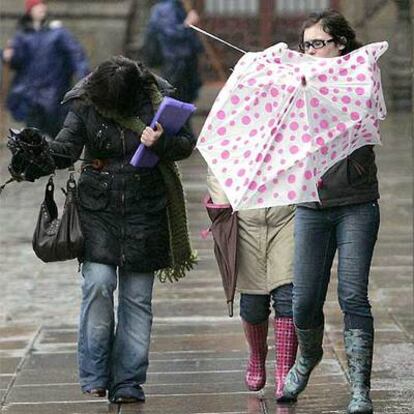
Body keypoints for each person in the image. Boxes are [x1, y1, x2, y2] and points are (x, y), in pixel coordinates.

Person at [19, 56, 196, 403]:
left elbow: (186, 144)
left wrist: (160, 143)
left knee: (137, 299)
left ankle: (128, 380)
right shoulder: (85, 100)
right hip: (98, 207)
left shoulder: (157, 99)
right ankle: (95, 372)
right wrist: (36, 153)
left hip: (147, 208)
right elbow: (66, 149)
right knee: (99, 285)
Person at [281, 10, 380, 414]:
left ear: (340, 43)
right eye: (305, 45)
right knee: (303, 302)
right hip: (311, 205)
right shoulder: (297, 85)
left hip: (356, 203)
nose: (310, 51)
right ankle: (307, 357)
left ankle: (360, 388)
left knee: (353, 295)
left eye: (317, 43)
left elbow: (362, 113)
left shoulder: (363, 74)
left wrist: (313, 88)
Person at [206, 170, 298, 401]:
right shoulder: (232, 133)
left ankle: (285, 374)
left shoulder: (291, 133)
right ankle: (257, 354)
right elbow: (217, 167)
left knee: (287, 294)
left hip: (287, 217)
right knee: (253, 304)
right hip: (245, 219)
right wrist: (222, 204)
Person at [2, 0, 89, 137]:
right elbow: (16, 61)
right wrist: (7, 56)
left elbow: (76, 55)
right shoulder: (23, 35)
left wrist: (84, 77)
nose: (41, 7)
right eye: (37, 6)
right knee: (33, 139)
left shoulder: (58, 33)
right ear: (30, 11)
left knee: (59, 137)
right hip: (31, 96)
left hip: (55, 94)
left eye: (42, 5)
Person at [146, 0, 203, 104]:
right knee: (173, 98)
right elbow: (171, 33)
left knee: (187, 97)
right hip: (174, 60)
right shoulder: (165, 9)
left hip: (187, 60)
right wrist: (188, 24)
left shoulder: (182, 6)